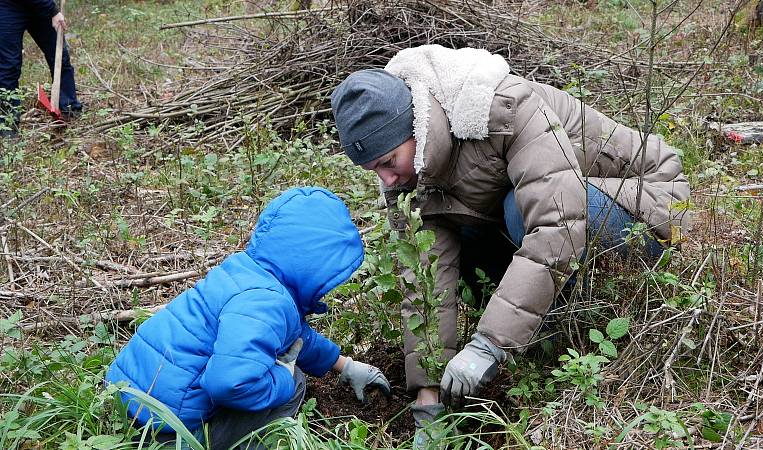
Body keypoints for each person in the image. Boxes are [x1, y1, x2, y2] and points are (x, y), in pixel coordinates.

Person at [331, 45, 690, 447]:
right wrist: (427, 399)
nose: (387, 179)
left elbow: (558, 225)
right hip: (555, 218)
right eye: (373, 170)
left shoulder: (501, 107)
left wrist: (488, 345)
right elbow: (425, 280)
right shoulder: (408, 177)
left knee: (519, 209)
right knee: (460, 233)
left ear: (415, 126)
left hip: (645, 205)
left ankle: (580, 328)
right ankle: (539, 326)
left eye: (388, 161)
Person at [106, 187, 392, 449]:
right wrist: (284, 377)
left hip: (126, 405)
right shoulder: (268, 302)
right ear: (316, 265)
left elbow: (292, 336)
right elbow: (229, 384)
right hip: (168, 434)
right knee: (293, 384)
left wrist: (345, 366)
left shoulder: (247, 272)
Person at [0, 0, 83, 137]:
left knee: (60, 58)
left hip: (41, 7)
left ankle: (69, 109)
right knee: (8, 67)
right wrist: (53, 11)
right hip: (8, 6)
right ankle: (8, 125)